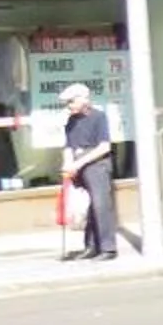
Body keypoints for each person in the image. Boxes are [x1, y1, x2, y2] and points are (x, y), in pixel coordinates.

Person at [60, 83, 116, 261]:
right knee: (90, 208)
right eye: (67, 102)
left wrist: (79, 162)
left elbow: (104, 146)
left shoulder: (99, 117)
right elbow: (69, 146)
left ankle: (108, 248)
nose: (69, 105)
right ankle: (91, 245)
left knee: (101, 205)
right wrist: (68, 164)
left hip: (97, 165)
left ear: (84, 99)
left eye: (71, 101)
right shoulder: (71, 121)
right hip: (79, 167)